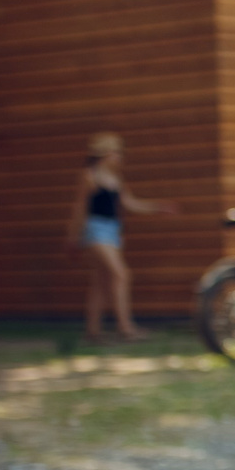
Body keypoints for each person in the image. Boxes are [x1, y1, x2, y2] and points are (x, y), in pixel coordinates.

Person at [70, 132, 177, 340]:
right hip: (95, 230)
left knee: (100, 282)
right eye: (117, 153)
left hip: (112, 230)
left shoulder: (116, 179)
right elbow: (80, 209)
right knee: (121, 274)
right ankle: (125, 327)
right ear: (106, 154)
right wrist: (73, 237)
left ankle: (93, 331)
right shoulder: (89, 176)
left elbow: (130, 203)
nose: (120, 157)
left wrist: (157, 207)